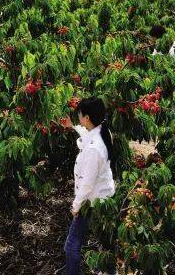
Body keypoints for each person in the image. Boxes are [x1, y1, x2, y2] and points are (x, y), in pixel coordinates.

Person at [61, 97, 116, 275]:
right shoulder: (102, 132)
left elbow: (87, 184)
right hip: (105, 197)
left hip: (92, 201)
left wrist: (76, 206)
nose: (77, 117)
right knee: (104, 241)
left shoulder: (94, 149)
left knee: (71, 246)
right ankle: (108, 271)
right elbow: (87, 135)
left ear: (86, 118)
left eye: (79, 115)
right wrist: (72, 127)